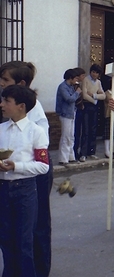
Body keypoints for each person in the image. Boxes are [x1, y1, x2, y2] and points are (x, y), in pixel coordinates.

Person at [0, 61, 53, 277]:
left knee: (32, 230)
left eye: (5, 81)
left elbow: (41, 158)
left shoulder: (33, 113)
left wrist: (18, 166)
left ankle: (37, 271)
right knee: (7, 236)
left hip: (30, 179)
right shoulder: (5, 123)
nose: (1, 85)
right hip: (6, 182)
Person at [79, 64, 105, 162]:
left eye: (97, 73)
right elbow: (85, 95)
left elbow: (103, 95)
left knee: (93, 130)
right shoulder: (86, 80)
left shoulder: (98, 82)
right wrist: (94, 101)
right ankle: (83, 153)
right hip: (87, 106)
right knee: (86, 130)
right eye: (93, 72)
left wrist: (94, 96)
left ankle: (92, 152)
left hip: (94, 107)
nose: (94, 74)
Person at [56, 68, 82, 164]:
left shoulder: (71, 86)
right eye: (75, 78)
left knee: (71, 136)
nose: (76, 80)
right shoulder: (63, 87)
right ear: (70, 78)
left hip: (72, 113)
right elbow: (69, 99)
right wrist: (77, 92)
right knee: (66, 136)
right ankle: (63, 159)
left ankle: (71, 157)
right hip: (65, 114)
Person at [72, 67, 86, 160]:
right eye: (82, 75)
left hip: (80, 109)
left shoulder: (79, 85)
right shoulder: (75, 87)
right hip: (76, 110)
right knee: (75, 133)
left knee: (79, 132)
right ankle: (74, 152)